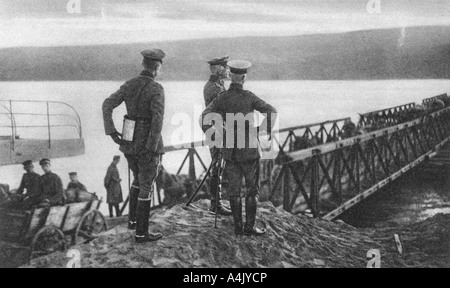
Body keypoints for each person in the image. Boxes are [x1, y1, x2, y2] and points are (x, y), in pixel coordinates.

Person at [201, 60, 277, 236]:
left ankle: (237, 228)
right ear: (243, 78)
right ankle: (249, 228)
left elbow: (204, 116)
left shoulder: (222, 97)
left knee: (234, 192)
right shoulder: (249, 97)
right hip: (249, 147)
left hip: (230, 149)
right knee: (252, 190)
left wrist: (215, 134)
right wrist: (261, 131)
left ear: (232, 77)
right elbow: (271, 111)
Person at [102, 48, 165, 243]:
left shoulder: (129, 85)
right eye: (159, 67)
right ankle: (141, 233)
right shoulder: (156, 89)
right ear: (156, 67)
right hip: (147, 142)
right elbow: (157, 121)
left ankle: (133, 222)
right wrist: (151, 147)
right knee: (146, 184)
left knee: (137, 178)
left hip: (129, 139)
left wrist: (112, 131)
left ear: (143, 65)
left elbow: (107, 105)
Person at [203, 55, 232, 216]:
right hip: (216, 129)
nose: (228, 71)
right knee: (217, 165)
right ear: (220, 70)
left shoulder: (214, 85)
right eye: (226, 68)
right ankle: (216, 203)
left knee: (218, 164)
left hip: (215, 128)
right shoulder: (216, 88)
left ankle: (216, 201)